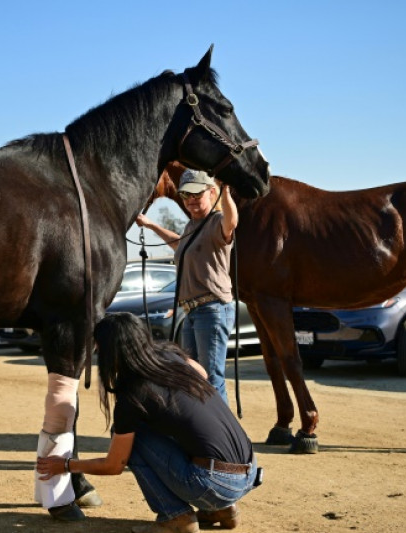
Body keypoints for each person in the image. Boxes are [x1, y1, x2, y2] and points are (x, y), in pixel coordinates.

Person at [36, 313, 259, 533]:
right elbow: (201, 373)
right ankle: (222, 510)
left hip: (215, 484)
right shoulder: (172, 356)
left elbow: (114, 465)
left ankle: (175, 517)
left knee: (131, 438)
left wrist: (66, 465)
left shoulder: (133, 395)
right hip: (249, 473)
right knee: (178, 429)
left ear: (110, 352)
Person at [136, 168, 238, 403]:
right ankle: (200, 430)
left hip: (212, 309)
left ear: (211, 192)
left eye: (196, 195)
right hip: (191, 311)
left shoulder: (216, 222)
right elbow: (178, 243)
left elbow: (231, 222)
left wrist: (226, 191)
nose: (191, 201)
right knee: (191, 375)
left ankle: (221, 434)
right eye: (186, 196)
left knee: (211, 377)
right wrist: (150, 224)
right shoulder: (192, 226)